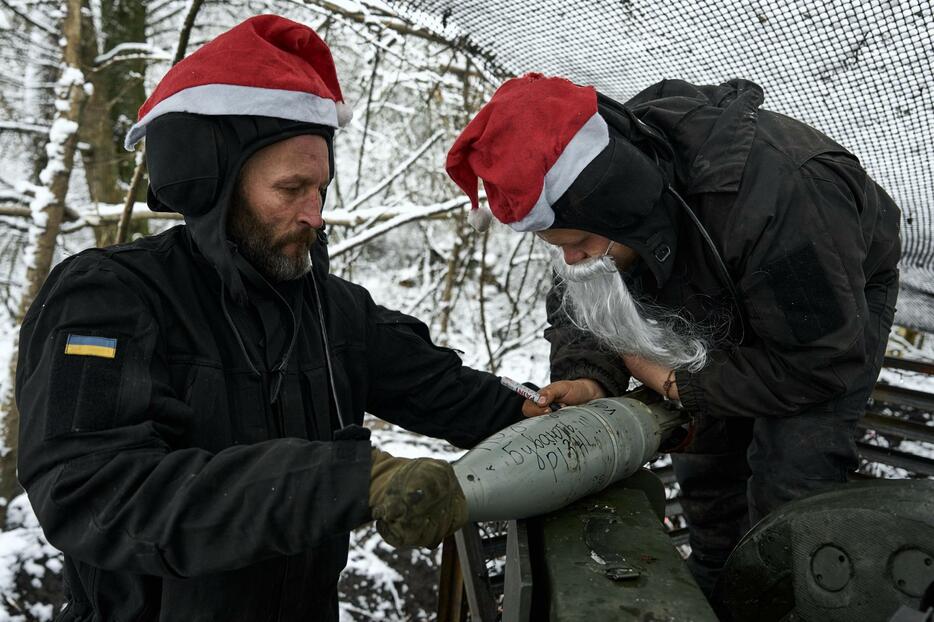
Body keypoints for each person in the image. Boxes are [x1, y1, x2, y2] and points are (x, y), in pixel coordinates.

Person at [15, 15, 524, 621]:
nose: (316, 214)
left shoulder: (330, 312)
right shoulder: (108, 299)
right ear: (216, 185)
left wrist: (543, 410)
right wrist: (341, 481)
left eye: (320, 188)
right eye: (290, 189)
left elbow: (449, 392)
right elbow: (92, 489)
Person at [446, 73, 901, 596]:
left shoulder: (781, 195)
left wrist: (680, 385)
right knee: (707, 467)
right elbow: (585, 298)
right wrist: (587, 377)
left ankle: (790, 599)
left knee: (794, 473)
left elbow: (817, 362)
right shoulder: (595, 208)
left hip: (827, 296)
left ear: (623, 207)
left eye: (581, 242)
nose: (572, 259)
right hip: (706, 275)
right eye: (560, 246)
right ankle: (717, 583)